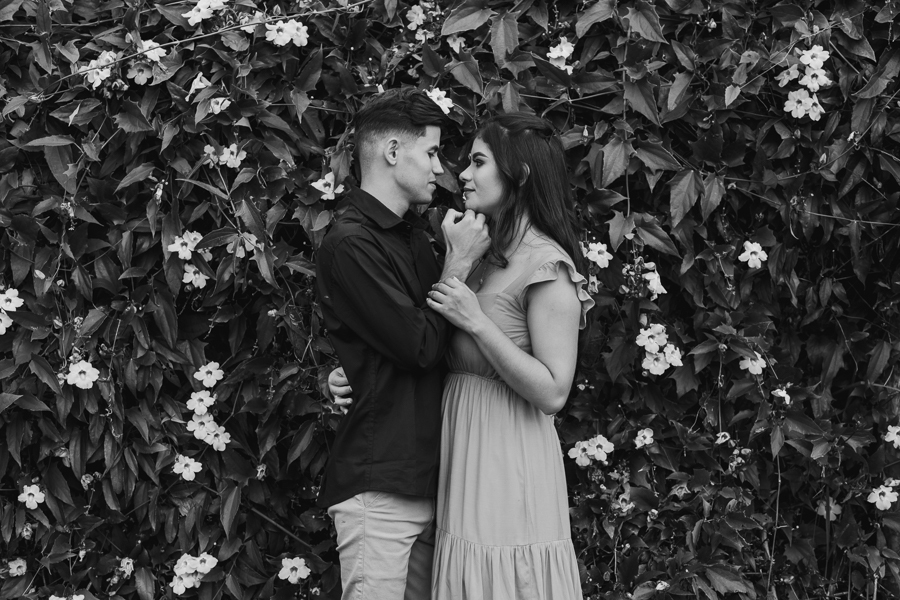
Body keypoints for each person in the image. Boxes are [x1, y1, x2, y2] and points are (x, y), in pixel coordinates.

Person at [332, 112, 594, 599]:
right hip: (456, 462)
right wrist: (356, 372)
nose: (462, 176)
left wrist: (475, 319)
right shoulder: (479, 258)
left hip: (507, 461)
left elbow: (555, 391)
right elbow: (422, 343)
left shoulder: (547, 265)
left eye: (477, 162)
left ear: (520, 174)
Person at [315, 88, 490, 600]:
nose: (442, 169)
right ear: (393, 152)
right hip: (382, 484)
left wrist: (348, 369)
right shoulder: (351, 242)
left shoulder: (415, 233)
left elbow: (391, 336)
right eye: (432, 152)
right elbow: (418, 346)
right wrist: (458, 266)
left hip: (434, 481)